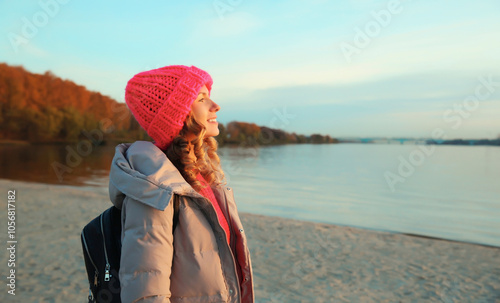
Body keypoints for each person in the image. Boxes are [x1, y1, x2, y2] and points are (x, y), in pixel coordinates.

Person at [108, 65, 254, 303]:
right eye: (202, 98)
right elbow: (146, 288)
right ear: (179, 115)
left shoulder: (201, 178)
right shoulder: (155, 186)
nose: (216, 106)